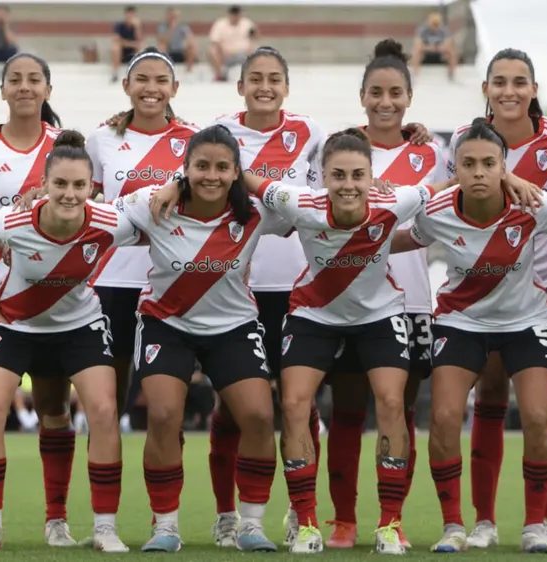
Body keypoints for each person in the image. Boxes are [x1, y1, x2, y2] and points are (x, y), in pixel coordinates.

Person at [224, 128, 456, 555]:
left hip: (379, 314)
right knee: (293, 405)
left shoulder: (394, 200)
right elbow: (249, 178)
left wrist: (506, 179)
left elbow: (441, 185)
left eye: (357, 175)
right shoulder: (300, 203)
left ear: (372, 178)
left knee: (391, 403)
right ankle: (308, 522)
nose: (348, 185)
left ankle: (389, 524)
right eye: (338, 175)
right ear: (322, 178)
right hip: (315, 313)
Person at [390, 118, 547, 553]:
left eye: (490, 163)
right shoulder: (436, 210)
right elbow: (405, 239)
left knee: (539, 418)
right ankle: (454, 526)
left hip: (527, 320)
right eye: (469, 164)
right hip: (461, 321)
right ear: (456, 168)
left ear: (504, 167)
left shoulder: (533, 204)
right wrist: (348, 241)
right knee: (446, 417)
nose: (480, 172)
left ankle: (535, 525)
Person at [0, 130, 139, 553]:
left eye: (79, 185)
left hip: (78, 324)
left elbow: (151, 215)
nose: (70, 194)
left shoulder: (110, 221)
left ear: (91, 187)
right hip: (15, 324)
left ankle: (102, 527)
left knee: (103, 410)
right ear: (44, 184)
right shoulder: (12, 222)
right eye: (60, 184)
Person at [114, 125, 290, 553]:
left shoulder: (256, 212)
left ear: (236, 172)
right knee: (163, 416)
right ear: (185, 168)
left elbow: (307, 204)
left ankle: (249, 525)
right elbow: (94, 219)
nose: (211, 176)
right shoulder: (153, 203)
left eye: (222, 167)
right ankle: (166, 525)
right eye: (201, 166)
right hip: (165, 324)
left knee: (260, 418)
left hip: (233, 327)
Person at [446, 48, 547, 551]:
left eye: (519, 82)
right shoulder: (465, 139)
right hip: (490, 285)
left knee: (545, 403)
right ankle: (484, 520)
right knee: (491, 396)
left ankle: (545, 520)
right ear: (485, 89)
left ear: (535, 89)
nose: (509, 91)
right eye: (499, 82)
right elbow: (445, 193)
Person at [324, 39, 448, 551]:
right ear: (361, 95)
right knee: (348, 412)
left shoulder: (431, 152)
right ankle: (345, 521)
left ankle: (390, 519)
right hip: (349, 297)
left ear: (410, 96)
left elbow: (446, 216)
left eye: (395, 92)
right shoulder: (338, 150)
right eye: (376, 92)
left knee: (399, 410)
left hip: (412, 298)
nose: (385, 102)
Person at [0, 53, 78, 549]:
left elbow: (79, 217)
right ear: (2, 90)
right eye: (15, 80)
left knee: (54, 406)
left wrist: (41, 217)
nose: (25, 87)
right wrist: (29, 218)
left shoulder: (67, 148)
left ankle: (57, 520)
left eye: (35, 79)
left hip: (49, 295)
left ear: (48, 88)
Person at [207, 46, 327, 548]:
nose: (264, 86)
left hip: (296, 287)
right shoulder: (218, 132)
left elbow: (327, 198)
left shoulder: (310, 133)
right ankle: (226, 514)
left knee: (302, 407)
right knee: (231, 407)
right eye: (254, 78)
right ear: (239, 87)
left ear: (286, 85)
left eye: (274, 78)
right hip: (234, 290)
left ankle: (303, 511)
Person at [85, 47, 198, 435]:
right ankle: (106, 492)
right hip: (112, 280)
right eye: (142, 80)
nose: (151, 89)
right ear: (126, 85)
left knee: (167, 408)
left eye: (161, 80)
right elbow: (84, 205)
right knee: (106, 408)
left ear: (175, 87)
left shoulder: (195, 140)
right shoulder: (101, 138)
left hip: (171, 280)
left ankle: (167, 491)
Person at [208, 5, 257, 82]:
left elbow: (254, 38)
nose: (235, 16)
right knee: (212, 51)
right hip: (226, 54)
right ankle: (220, 75)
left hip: (244, 53)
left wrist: (251, 47)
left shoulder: (247, 23)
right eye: (234, 14)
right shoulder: (220, 24)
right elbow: (215, 42)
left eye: (237, 13)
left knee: (256, 49)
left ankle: (253, 75)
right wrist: (222, 51)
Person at [410, 11, 456, 80]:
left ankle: (451, 74)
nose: (435, 27)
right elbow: (418, 43)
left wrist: (439, 48)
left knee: (451, 52)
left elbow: (448, 44)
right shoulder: (422, 30)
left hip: (440, 54)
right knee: (416, 51)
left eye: (437, 25)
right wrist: (429, 48)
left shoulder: (444, 30)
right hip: (426, 54)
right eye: (433, 24)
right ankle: (416, 73)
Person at [157, 8, 196, 73]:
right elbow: (162, 40)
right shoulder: (162, 26)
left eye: (175, 17)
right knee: (162, 46)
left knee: (192, 45)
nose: (173, 19)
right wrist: (172, 28)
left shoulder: (183, 26)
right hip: (169, 52)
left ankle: (189, 72)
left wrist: (188, 42)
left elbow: (190, 37)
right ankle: (163, 71)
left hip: (181, 51)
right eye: (172, 16)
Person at [111, 6, 143, 83]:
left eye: (132, 15)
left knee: (141, 47)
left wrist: (137, 27)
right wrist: (131, 44)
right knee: (115, 47)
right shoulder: (119, 25)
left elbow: (140, 41)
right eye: (129, 15)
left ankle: (139, 74)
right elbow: (117, 40)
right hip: (122, 52)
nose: (130, 17)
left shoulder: (138, 26)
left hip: (133, 52)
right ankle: (115, 73)